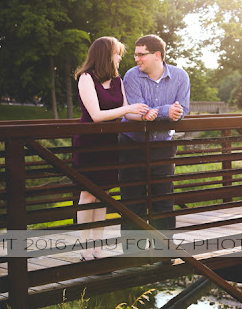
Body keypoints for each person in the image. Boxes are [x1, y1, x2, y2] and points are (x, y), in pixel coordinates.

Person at [73, 36, 149, 260]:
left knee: (104, 194)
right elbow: (96, 116)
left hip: (109, 144)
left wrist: (145, 113)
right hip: (88, 144)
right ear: (106, 55)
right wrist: (129, 109)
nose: (120, 58)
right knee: (88, 195)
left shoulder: (117, 80)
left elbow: (127, 110)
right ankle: (84, 248)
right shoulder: (86, 78)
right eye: (117, 53)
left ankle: (98, 247)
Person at [119, 34, 190, 249]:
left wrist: (166, 112)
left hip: (163, 146)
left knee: (163, 200)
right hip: (132, 144)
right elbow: (137, 111)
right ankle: (134, 254)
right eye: (135, 55)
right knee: (133, 200)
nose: (137, 59)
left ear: (157, 55)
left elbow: (183, 110)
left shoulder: (180, 76)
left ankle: (164, 251)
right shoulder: (131, 76)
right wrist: (166, 110)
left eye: (141, 55)